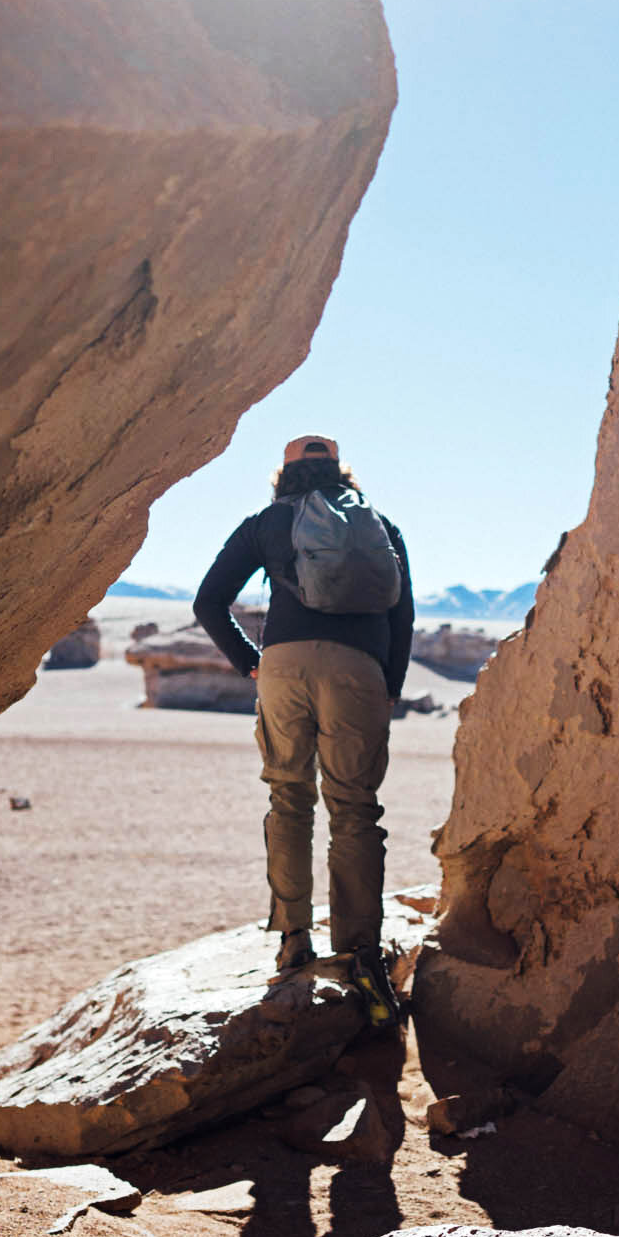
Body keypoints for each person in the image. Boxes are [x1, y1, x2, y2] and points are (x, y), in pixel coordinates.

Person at [194, 435, 413, 1023]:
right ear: (341, 471)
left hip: (284, 668)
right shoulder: (379, 525)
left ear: (283, 476)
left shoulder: (266, 523)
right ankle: (362, 954)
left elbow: (209, 601)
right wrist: (387, 684)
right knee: (355, 808)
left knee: (289, 799)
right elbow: (403, 614)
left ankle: (294, 938)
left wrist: (252, 663)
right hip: (359, 670)